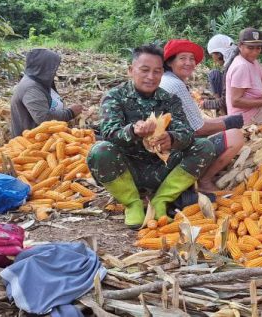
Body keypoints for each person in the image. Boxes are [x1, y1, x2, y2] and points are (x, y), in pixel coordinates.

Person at [86, 44, 217, 228]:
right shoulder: (115, 97)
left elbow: (187, 132)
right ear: (131, 70)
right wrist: (133, 131)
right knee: (99, 151)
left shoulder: (169, 99)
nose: (151, 77)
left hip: (162, 168)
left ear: (162, 72)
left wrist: (171, 138)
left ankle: (161, 199)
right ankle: (132, 203)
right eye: (145, 70)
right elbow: (109, 132)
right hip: (128, 169)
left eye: (157, 71)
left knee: (205, 146)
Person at [159, 39, 245, 194]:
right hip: (170, 152)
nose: (189, 63)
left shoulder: (166, 79)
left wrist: (225, 119)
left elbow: (194, 122)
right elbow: (198, 129)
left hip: (167, 145)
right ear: (170, 62)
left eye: (191, 59)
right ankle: (204, 181)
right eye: (182, 58)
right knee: (235, 137)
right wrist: (229, 123)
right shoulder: (176, 85)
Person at [10, 48, 84, 137]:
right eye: (52, 67)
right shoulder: (31, 88)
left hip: (48, 136)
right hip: (33, 141)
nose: (55, 72)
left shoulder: (39, 81)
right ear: (44, 67)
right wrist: (70, 113)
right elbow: (43, 118)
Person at [202, 34, 239, 113]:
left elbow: (225, 100)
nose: (214, 60)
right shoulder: (237, 58)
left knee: (213, 74)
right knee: (215, 73)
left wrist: (205, 104)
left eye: (212, 55)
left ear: (219, 54)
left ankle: (224, 113)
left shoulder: (232, 67)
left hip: (237, 106)